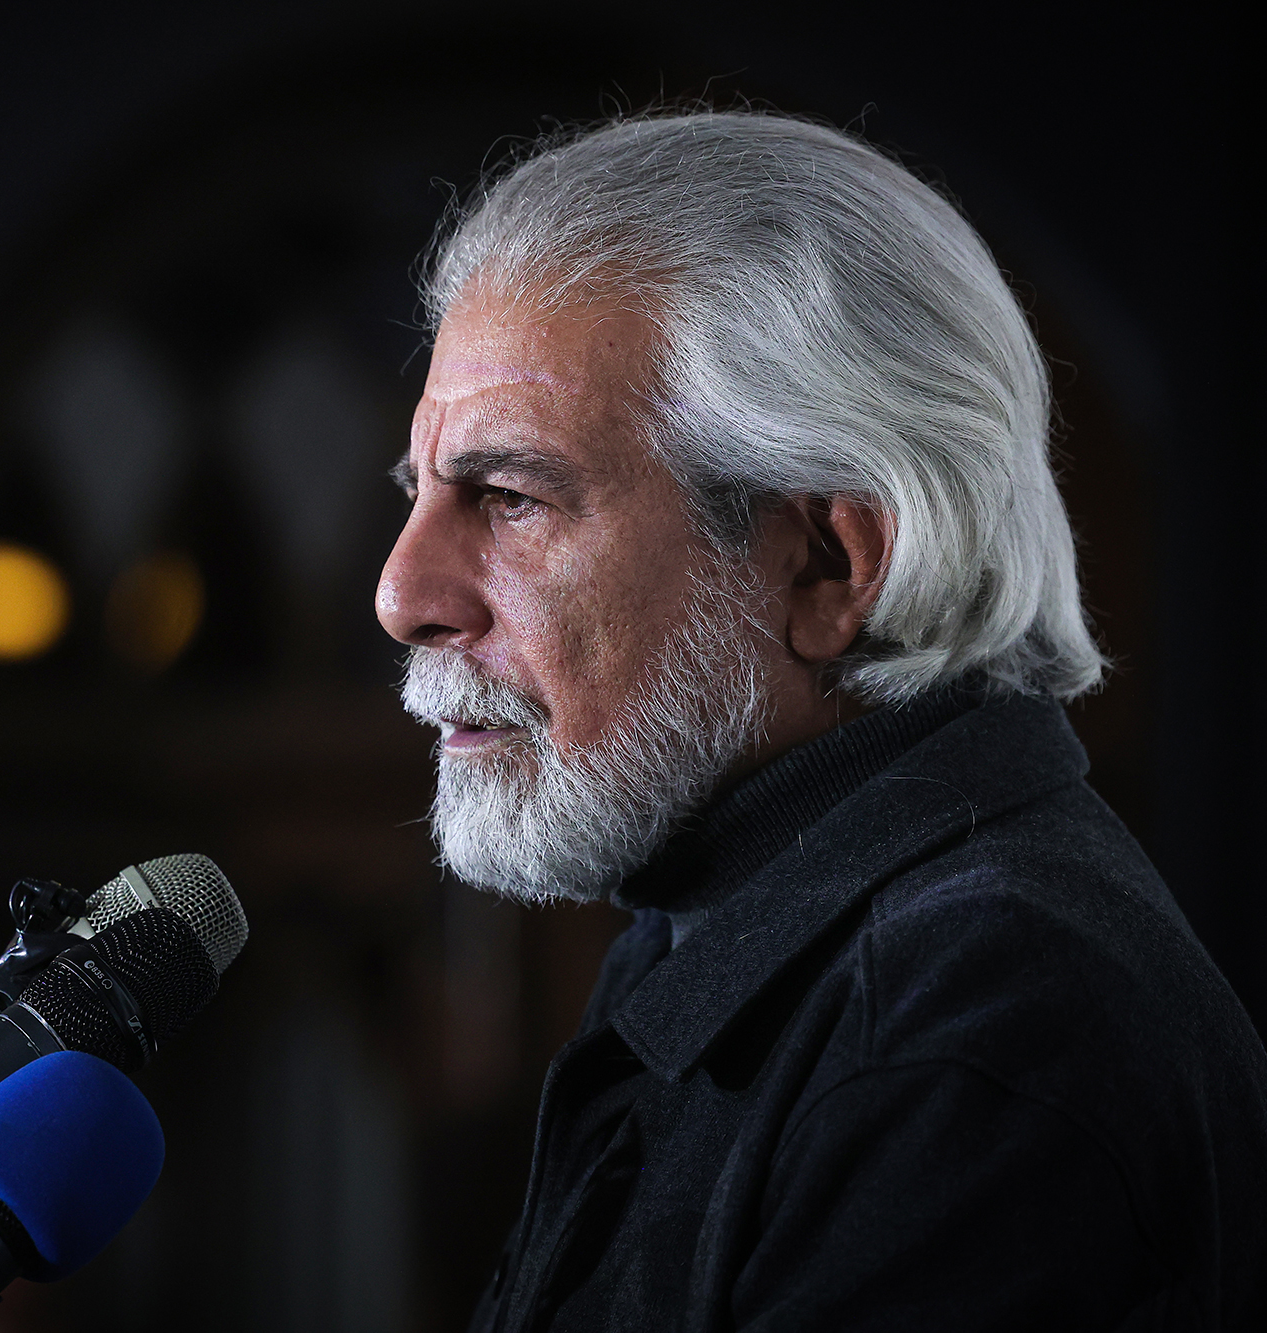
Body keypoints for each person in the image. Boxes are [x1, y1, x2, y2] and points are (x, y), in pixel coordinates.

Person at [376, 110, 1266, 1331]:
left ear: (825, 566)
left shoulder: (970, 1037)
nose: (401, 594)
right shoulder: (726, 925)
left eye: (509, 496)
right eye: (418, 491)